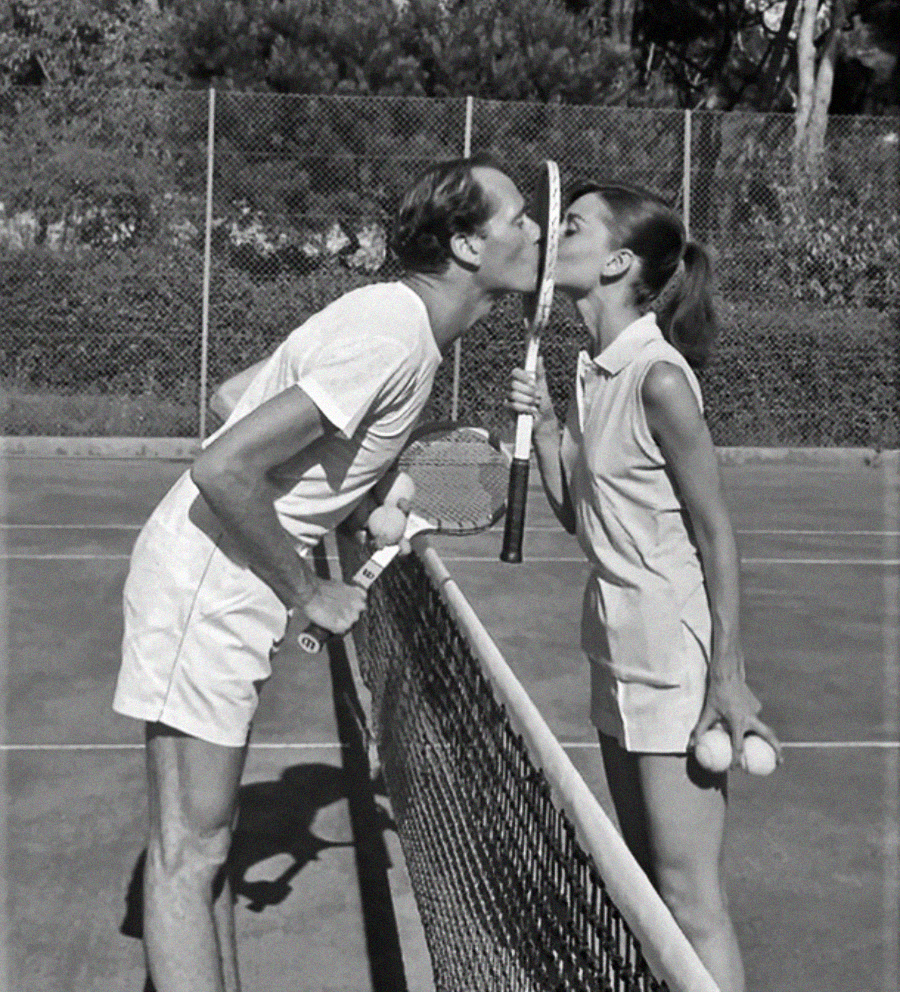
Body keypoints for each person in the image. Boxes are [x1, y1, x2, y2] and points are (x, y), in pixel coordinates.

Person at [113, 154, 541, 992]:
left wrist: (352, 487)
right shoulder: (394, 335)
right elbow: (224, 467)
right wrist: (311, 591)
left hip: (211, 579)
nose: (533, 231)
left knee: (206, 849)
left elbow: (234, 394)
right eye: (517, 218)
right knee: (186, 855)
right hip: (206, 581)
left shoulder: (394, 324)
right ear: (464, 244)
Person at [507, 181, 780, 992]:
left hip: (670, 653)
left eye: (573, 226)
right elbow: (583, 522)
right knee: (644, 893)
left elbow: (716, 531)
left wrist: (726, 676)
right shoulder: (594, 369)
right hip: (614, 639)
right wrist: (553, 424)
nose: (555, 235)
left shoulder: (657, 376)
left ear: (618, 261)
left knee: (691, 900)